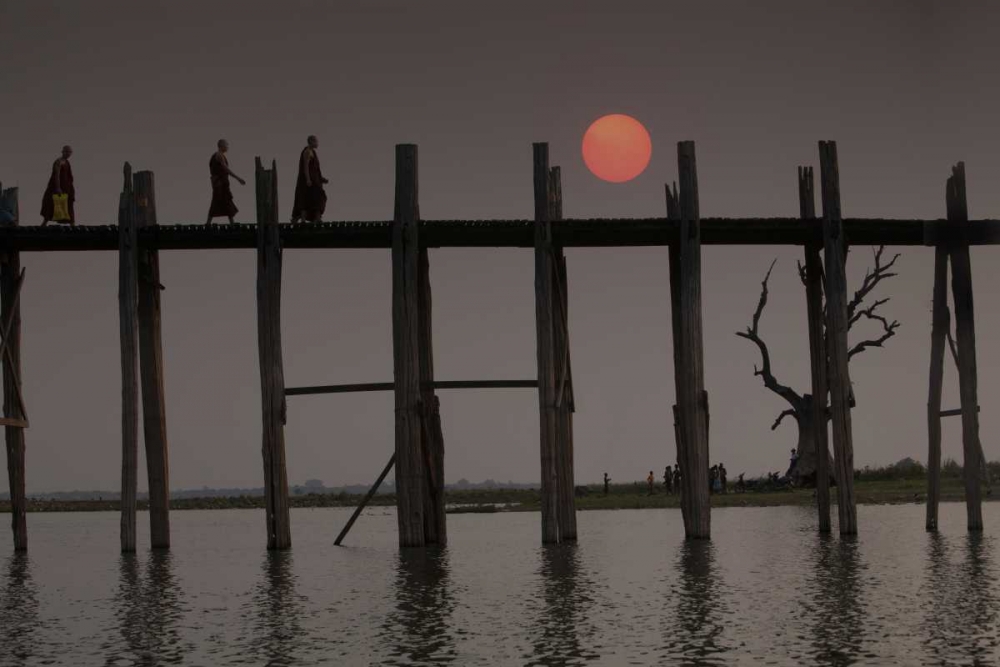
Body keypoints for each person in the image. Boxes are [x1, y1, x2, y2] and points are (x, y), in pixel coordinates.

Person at [205, 139, 245, 225]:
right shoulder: (218, 155)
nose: (227, 147)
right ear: (221, 145)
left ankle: (232, 222)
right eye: (226, 145)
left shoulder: (221, 155)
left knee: (227, 202)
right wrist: (238, 178)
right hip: (219, 184)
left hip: (222, 183)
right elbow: (225, 169)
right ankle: (208, 223)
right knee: (216, 201)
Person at [291, 135, 329, 223]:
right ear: (311, 141)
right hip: (308, 180)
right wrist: (308, 179)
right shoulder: (307, 151)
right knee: (314, 197)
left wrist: (322, 179)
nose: (317, 143)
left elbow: (315, 169)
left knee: (314, 198)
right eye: (315, 141)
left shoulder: (313, 152)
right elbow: (306, 167)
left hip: (314, 180)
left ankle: (316, 217)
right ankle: (306, 218)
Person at [40, 145, 75, 226]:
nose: (68, 154)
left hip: (67, 188)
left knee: (69, 206)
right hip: (56, 187)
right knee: (50, 204)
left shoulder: (67, 162)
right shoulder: (58, 162)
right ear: (62, 152)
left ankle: (72, 224)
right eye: (66, 151)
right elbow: (56, 175)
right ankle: (44, 223)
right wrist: (58, 188)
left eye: (69, 152)